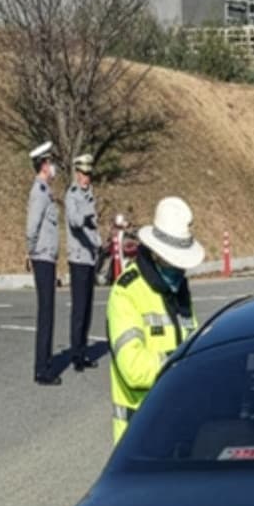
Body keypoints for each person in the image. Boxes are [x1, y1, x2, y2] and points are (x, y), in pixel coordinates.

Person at [106, 196, 204, 443]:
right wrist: (182, 364)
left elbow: (193, 342)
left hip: (180, 429)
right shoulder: (126, 293)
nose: (178, 271)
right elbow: (133, 368)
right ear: (156, 255)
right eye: (173, 263)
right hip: (140, 437)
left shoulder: (179, 289)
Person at [25, 141, 62, 385]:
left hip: (46, 255)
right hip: (42, 256)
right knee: (46, 313)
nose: (53, 168)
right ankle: (42, 369)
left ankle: (45, 363)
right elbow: (32, 226)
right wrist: (30, 251)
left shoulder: (44, 191)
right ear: (44, 165)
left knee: (48, 312)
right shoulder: (39, 192)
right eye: (50, 163)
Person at [65, 153, 100, 372]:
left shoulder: (89, 195)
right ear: (77, 173)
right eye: (84, 173)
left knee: (88, 308)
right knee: (78, 309)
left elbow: (93, 227)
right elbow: (75, 222)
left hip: (90, 256)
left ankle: (84, 349)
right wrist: (88, 209)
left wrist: (98, 242)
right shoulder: (73, 195)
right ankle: (76, 354)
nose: (87, 178)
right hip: (78, 257)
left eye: (89, 174)